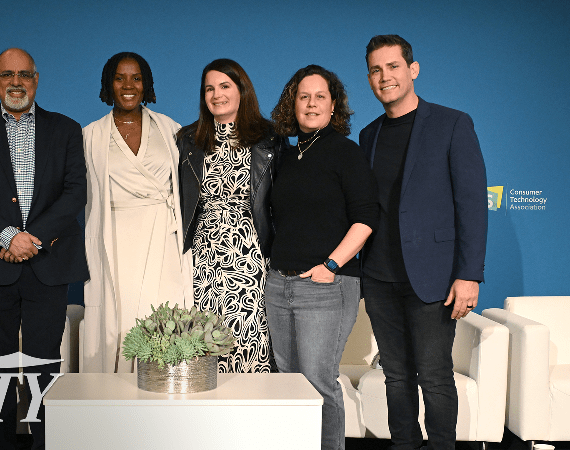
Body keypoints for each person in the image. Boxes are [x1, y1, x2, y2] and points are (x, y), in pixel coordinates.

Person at [0, 48, 87, 450]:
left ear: (37, 79)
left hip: (49, 266)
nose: (16, 82)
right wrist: (9, 236)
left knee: (44, 370)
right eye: (8, 74)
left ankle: (46, 443)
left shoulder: (65, 129)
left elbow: (74, 193)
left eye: (24, 74)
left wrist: (32, 238)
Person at [359, 35, 487, 450]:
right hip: (379, 277)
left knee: (433, 375)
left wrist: (468, 276)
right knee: (395, 376)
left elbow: (471, 205)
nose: (385, 77)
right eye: (376, 70)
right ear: (369, 78)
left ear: (412, 70)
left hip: (433, 277)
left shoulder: (452, 123)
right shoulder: (368, 134)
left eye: (393, 66)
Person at [266, 65, 378, 450]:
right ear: (292, 104)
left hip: (327, 285)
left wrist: (331, 266)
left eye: (320, 97)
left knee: (317, 381)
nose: (311, 104)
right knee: (288, 381)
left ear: (334, 107)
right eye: (303, 96)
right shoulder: (283, 154)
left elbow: (366, 218)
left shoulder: (346, 153)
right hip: (279, 284)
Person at [82, 52, 193, 373]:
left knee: (163, 319)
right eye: (119, 78)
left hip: (163, 240)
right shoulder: (90, 136)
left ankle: (165, 409)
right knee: (120, 319)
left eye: (136, 78)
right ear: (109, 84)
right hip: (113, 242)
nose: (128, 85)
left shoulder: (172, 130)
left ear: (147, 85)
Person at [177, 59, 281, 373]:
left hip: (251, 256)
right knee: (205, 341)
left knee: (251, 339)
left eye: (225, 86)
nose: (216, 94)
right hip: (203, 259)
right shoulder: (187, 140)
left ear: (242, 91)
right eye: (209, 88)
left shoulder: (269, 138)